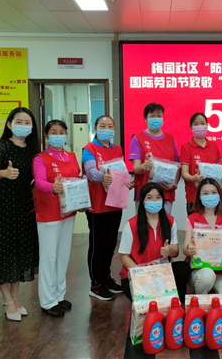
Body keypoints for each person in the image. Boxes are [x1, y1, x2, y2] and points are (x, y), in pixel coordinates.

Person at [0, 107, 40, 322]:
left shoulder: (33, 149)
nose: (24, 126)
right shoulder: (1, 146)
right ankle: (7, 300)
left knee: (20, 251)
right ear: (9, 124)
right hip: (2, 205)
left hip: (24, 205)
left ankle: (15, 298)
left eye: (27, 122)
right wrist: (4, 173)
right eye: (19, 122)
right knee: (3, 251)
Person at [33, 120, 83, 317]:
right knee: (49, 257)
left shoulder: (71, 156)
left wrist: (82, 200)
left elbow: (77, 181)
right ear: (47, 136)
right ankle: (48, 301)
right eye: (53, 132)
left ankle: (59, 295)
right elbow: (39, 182)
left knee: (63, 255)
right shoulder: (40, 158)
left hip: (68, 211)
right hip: (49, 213)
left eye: (61, 132)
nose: (58, 135)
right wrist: (52, 187)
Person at [82, 115, 133, 301]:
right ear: (96, 128)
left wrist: (127, 182)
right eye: (102, 125)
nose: (107, 129)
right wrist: (101, 177)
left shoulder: (117, 149)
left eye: (110, 126)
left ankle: (105, 278)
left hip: (115, 203)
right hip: (97, 205)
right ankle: (96, 284)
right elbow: (91, 172)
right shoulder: (89, 149)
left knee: (110, 244)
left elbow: (121, 173)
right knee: (98, 245)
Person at [118, 183, 191, 301]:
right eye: (149, 198)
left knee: (183, 268)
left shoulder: (170, 221)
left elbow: (175, 251)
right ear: (142, 201)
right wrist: (141, 273)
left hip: (161, 273)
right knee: (150, 302)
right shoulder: (131, 224)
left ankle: (177, 303)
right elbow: (124, 256)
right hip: (138, 274)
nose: (154, 201)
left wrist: (169, 250)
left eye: (158, 198)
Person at [183, 179, 222, 298]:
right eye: (205, 193)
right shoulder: (192, 219)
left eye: (214, 192)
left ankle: (212, 295)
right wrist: (190, 249)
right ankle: (200, 300)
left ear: (220, 194)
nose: (210, 196)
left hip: (221, 271)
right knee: (207, 276)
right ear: (199, 197)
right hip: (200, 271)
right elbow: (185, 249)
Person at [130, 102, 180, 215]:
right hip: (145, 193)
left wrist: (174, 184)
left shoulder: (170, 138)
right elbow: (136, 169)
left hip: (166, 192)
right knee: (144, 224)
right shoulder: (137, 138)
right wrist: (143, 166)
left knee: (165, 224)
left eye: (159, 115)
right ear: (145, 119)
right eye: (152, 116)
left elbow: (177, 165)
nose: (156, 118)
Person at [180, 112, 222, 214]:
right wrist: (194, 178)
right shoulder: (186, 147)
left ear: (207, 125)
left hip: (213, 196)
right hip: (194, 196)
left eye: (202, 123)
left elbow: (219, 168)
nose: (200, 126)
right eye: (196, 124)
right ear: (191, 127)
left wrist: (220, 183)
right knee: (195, 223)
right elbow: (184, 173)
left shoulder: (214, 146)